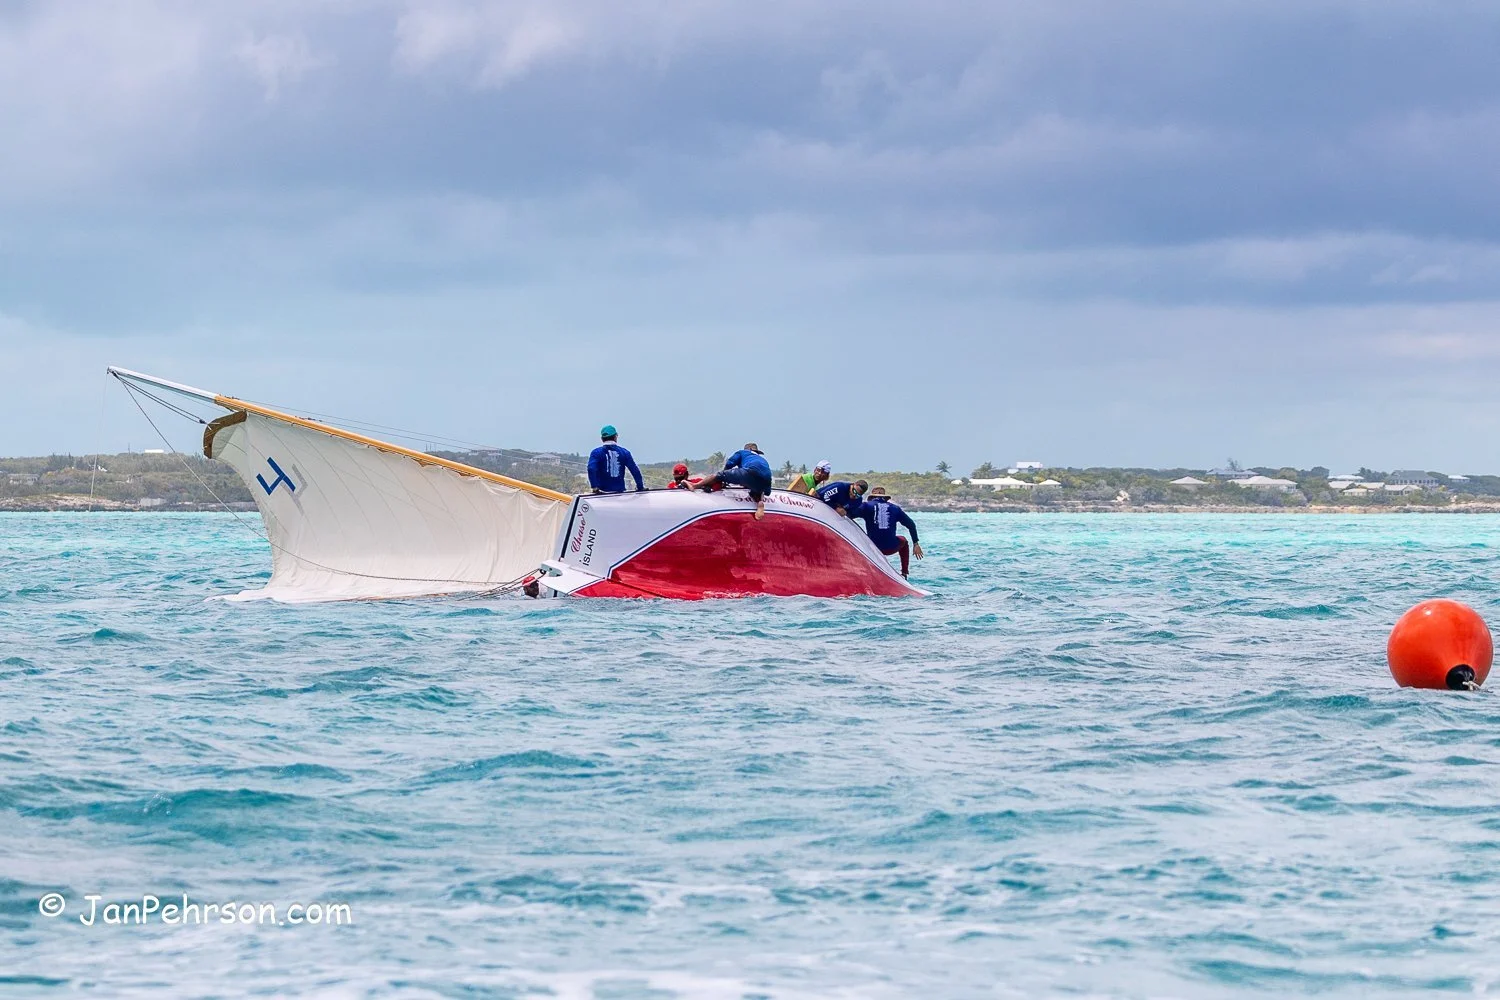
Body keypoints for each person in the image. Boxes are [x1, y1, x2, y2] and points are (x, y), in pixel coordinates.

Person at [849, 486, 923, 578]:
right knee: (904, 541)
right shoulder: (895, 508)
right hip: (890, 547)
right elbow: (911, 525)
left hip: (872, 549)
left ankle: (858, 571)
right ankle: (904, 573)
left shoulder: (866, 506)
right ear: (885, 498)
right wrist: (916, 543)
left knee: (860, 539)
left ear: (871, 497)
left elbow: (848, 515)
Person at [692, 442, 773, 519]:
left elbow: (730, 463)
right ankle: (760, 501)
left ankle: (695, 485)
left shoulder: (743, 452)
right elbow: (763, 474)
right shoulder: (762, 459)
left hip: (750, 472)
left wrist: (724, 476)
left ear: (748, 449)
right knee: (756, 490)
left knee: (718, 475)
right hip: (767, 481)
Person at [587, 425, 644, 494]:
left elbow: (591, 469)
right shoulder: (624, 452)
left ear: (602, 439)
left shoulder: (596, 453)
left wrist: (595, 487)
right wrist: (640, 487)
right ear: (616, 437)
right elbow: (634, 470)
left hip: (601, 495)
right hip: (619, 493)